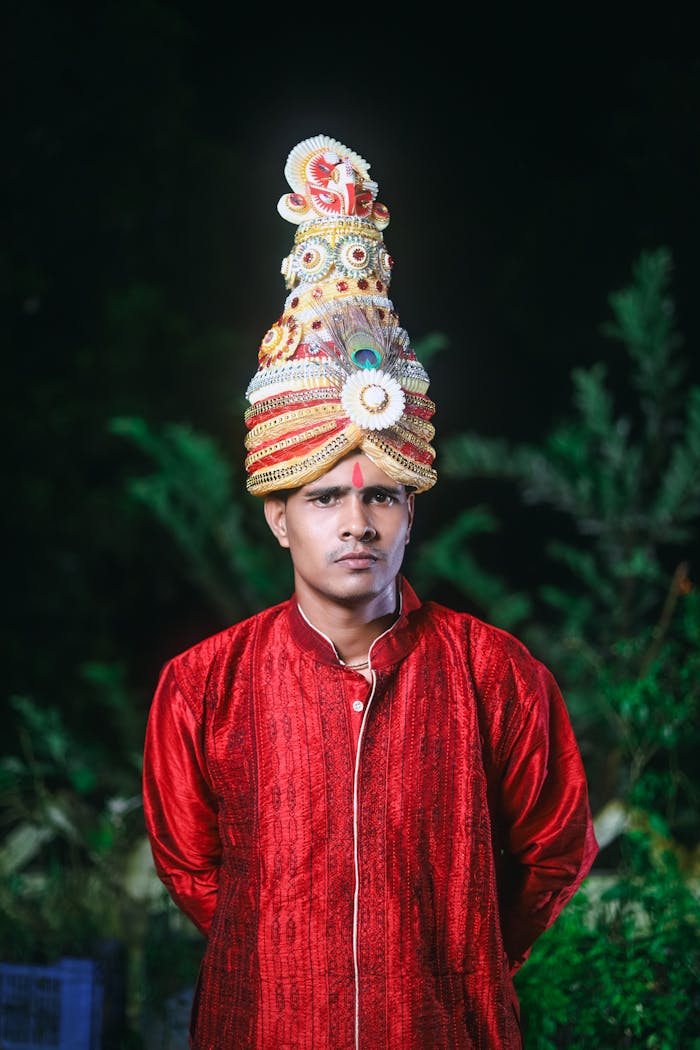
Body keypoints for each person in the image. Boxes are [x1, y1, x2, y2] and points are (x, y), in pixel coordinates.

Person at [142, 134, 598, 1049]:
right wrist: (288, 956)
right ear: (278, 518)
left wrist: (455, 955)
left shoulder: (496, 677)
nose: (357, 524)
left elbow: (555, 849)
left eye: (381, 495)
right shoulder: (204, 686)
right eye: (323, 499)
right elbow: (193, 869)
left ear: (410, 510)